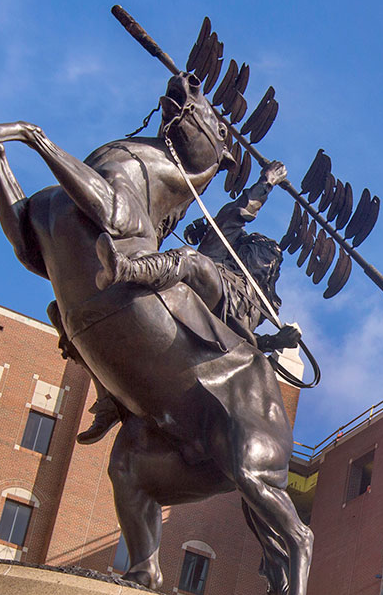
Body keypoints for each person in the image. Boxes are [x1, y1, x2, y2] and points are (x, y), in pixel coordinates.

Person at [74, 160, 301, 445]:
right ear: (244, 250)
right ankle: (107, 398)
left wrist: (274, 341)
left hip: (218, 333)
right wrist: (265, 184)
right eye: (263, 252)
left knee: (193, 262)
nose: (269, 262)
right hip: (200, 295)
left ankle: (127, 270)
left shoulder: (261, 305)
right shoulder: (220, 257)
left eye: (273, 262)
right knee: (66, 314)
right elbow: (236, 214)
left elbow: (245, 342)